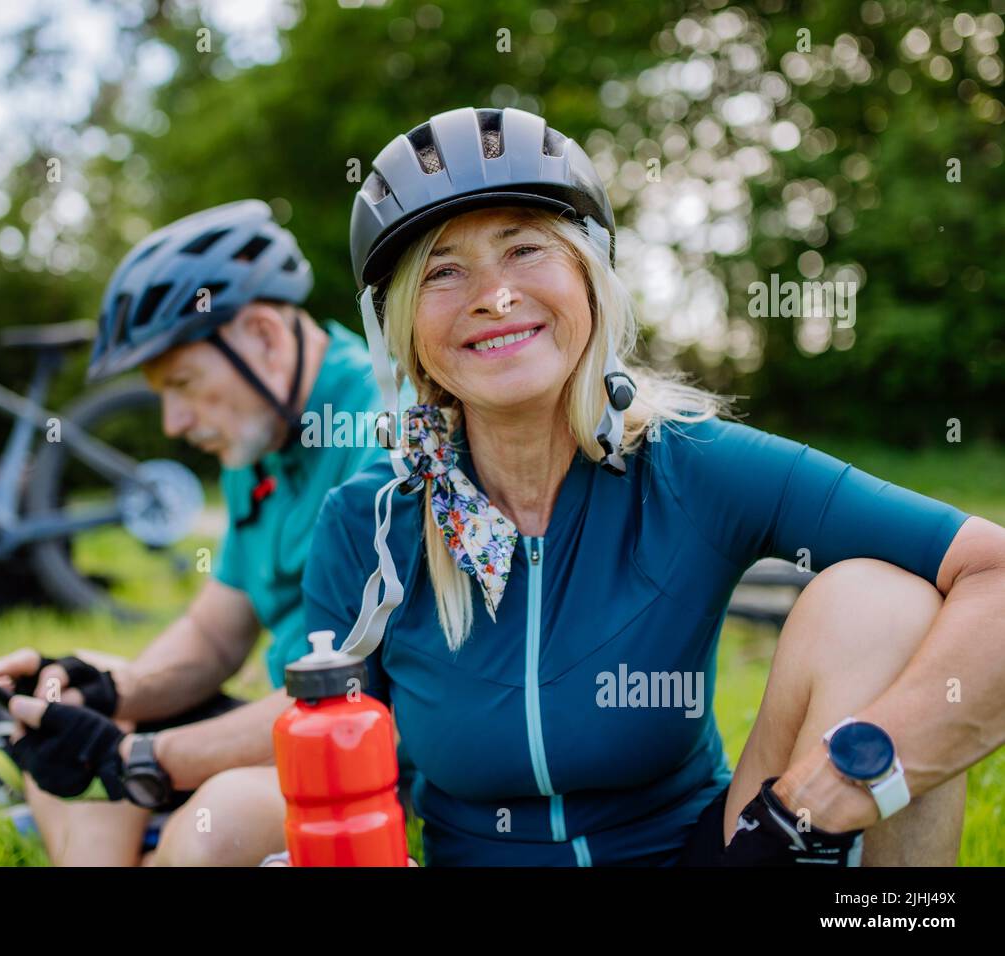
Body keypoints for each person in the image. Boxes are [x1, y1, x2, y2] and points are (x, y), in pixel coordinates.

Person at [303, 106, 1005, 866]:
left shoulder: (694, 466)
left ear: (590, 278)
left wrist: (812, 808)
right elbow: (344, 767)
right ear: (400, 328)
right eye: (443, 270)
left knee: (881, 601)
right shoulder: (364, 524)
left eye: (525, 249)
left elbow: (994, 574)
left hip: (719, 859)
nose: (494, 295)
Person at [0, 199, 391, 865]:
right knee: (70, 699)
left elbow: (365, 695)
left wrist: (139, 757)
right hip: (291, 733)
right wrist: (99, 693)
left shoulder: (383, 428)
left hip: (375, 761)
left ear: (261, 334)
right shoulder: (259, 435)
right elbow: (212, 635)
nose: (172, 422)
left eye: (184, 384)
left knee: (218, 819)